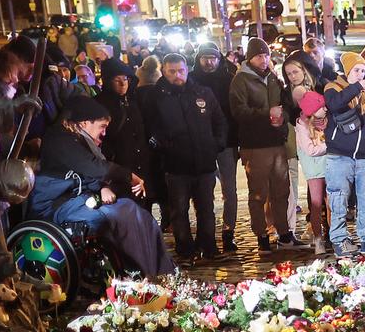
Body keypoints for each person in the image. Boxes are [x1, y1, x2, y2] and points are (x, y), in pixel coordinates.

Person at [32, 97, 175, 277]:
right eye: (102, 126)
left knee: (134, 211)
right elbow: (91, 166)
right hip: (55, 203)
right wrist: (128, 176)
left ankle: (159, 270)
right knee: (111, 218)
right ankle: (133, 273)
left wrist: (102, 187)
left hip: (79, 197)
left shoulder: (78, 138)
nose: (105, 133)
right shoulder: (59, 138)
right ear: (84, 123)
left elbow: (88, 171)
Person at [140, 53, 224, 260]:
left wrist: (216, 145)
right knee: (179, 210)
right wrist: (164, 147)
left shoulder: (202, 92)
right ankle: (185, 248)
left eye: (181, 71)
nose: (178, 75)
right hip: (175, 165)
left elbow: (219, 121)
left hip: (204, 162)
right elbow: (150, 127)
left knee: (206, 208)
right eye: (172, 71)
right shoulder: (155, 96)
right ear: (164, 71)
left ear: (187, 69)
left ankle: (208, 246)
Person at [229, 37, 293, 252]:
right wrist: (267, 114)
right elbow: (239, 111)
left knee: (281, 190)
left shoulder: (273, 77)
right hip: (254, 145)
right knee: (258, 193)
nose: (264, 59)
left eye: (266, 55)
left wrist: (282, 117)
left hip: (276, 142)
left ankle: (284, 233)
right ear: (250, 58)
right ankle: (262, 236)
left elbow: (283, 104)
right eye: (259, 56)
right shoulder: (241, 80)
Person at [322, 51, 365, 256]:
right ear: (348, 70)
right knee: (338, 198)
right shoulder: (333, 88)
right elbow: (335, 104)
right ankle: (340, 241)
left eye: (363, 71)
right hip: (339, 156)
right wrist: (357, 87)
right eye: (357, 70)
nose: (361, 74)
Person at [194, 43, 243, 250]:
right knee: (203, 190)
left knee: (229, 189)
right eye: (205, 58)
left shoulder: (228, 79)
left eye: (212, 57)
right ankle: (206, 233)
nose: (209, 62)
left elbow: (236, 111)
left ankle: (228, 231)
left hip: (228, 142)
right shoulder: (192, 81)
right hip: (200, 143)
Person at [94, 61, 151, 196]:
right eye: (117, 79)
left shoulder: (135, 99)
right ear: (108, 81)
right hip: (118, 165)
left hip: (142, 163)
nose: (123, 83)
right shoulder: (99, 104)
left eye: (125, 79)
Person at [293, 91, 332, 254]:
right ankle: (318, 239)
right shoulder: (302, 125)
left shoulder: (326, 120)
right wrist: (330, 145)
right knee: (316, 204)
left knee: (331, 203)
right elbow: (310, 150)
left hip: (329, 165)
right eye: (320, 106)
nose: (325, 109)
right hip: (314, 169)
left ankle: (333, 235)